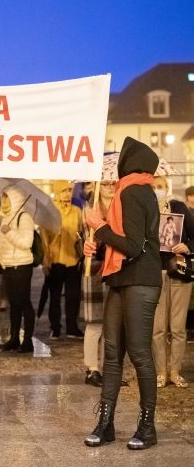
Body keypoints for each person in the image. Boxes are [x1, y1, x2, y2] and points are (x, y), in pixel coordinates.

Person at [83, 137, 162, 450]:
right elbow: (127, 243)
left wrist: (99, 227)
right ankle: (105, 424)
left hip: (139, 281)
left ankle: (147, 426)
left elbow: (132, 245)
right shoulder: (136, 190)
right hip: (121, 278)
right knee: (112, 354)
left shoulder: (131, 191)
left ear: (129, 162)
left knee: (139, 354)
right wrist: (99, 244)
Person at [151, 175, 194, 389]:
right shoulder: (145, 210)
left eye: (160, 186)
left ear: (166, 187)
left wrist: (187, 247)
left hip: (179, 272)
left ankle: (175, 371)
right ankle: (161, 372)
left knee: (177, 327)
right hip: (153, 274)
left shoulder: (179, 207)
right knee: (158, 328)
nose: (157, 190)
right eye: (153, 187)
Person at [0, 185, 36, 354]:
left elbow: (26, 243)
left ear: (15, 199)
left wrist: (9, 232)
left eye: (6, 198)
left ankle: (28, 341)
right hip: (8, 266)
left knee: (24, 302)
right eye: (2, 198)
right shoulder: (6, 218)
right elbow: (2, 245)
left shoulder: (24, 218)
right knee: (14, 304)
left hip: (22, 266)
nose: (3, 201)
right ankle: (14, 338)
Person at [82, 180, 116, 387]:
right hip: (94, 269)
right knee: (94, 322)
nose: (110, 187)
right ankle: (92, 368)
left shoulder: (122, 207)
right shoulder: (89, 210)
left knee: (112, 324)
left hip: (115, 268)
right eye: (105, 184)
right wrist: (85, 243)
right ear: (97, 186)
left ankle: (109, 368)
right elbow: (79, 240)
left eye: (113, 183)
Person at [41, 180, 84, 339]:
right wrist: (45, 260)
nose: (67, 193)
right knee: (55, 296)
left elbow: (81, 232)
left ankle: (72, 327)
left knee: (73, 296)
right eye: (64, 190)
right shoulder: (50, 212)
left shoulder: (77, 211)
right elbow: (44, 237)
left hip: (73, 258)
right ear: (57, 192)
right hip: (55, 259)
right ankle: (55, 327)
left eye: (69, 190)